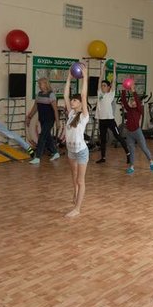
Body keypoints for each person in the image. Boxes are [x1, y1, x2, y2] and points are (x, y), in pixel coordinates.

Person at [63, 62, 90, 218]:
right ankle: (75, 193)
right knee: (73, 176)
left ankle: (77, 209)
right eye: (72, 100)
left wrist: (85, 77)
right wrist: (69, 77)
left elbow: (84, 95)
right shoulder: (71, 114)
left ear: (80, 104)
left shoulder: (84, 116)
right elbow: (65, 95)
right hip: (71, 151)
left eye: (75, 101)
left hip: (81, 152)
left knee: (80, 180)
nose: (72, 102)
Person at [95, 60, 131, 165]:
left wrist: (114, 68)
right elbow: (100, 79)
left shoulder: (110, 94)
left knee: (118, 136)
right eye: (102, 85)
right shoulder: (99, 93)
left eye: (104, 85)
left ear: (108, 87)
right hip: (102, 120)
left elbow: (114, 81)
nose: (102, 87)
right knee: (102, 139)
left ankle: (128, 154)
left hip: (110, 120)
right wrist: (103, 68)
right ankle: (103, 157)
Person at [26, 78, 61, 164]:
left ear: (45, 84)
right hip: (42, 119)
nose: (39, 85)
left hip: (50, 119)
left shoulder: (51, 95)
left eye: (40, 84)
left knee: (42, 137)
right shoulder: (39, 94)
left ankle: (37, 157)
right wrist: (29, 117)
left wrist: (57, 122)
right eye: (38, 84)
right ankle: (55, 153)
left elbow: (55, 109)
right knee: (47, 136)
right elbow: (35, 107)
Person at [120, 88, 153, 174]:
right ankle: (131, 167)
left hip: (137, 132)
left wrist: (133, 91)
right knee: (131, 150)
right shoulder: (128, 109)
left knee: (144, 148)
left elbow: (138, 102)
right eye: (132, 102)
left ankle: (151, 161)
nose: (133, 103)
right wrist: (123, 91)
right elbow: (124, 101)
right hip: (129, 133)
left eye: (134, 101)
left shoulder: (139, 110)